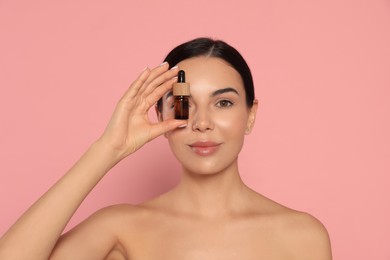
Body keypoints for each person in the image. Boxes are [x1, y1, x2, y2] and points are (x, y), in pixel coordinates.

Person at [0, 37, 332, 259]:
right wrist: (108, 148)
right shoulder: (121, 229)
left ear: (250, 115)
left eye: (224, 103)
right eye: (183, 105)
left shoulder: (301, 237)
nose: (202, 123)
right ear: (160, 116)